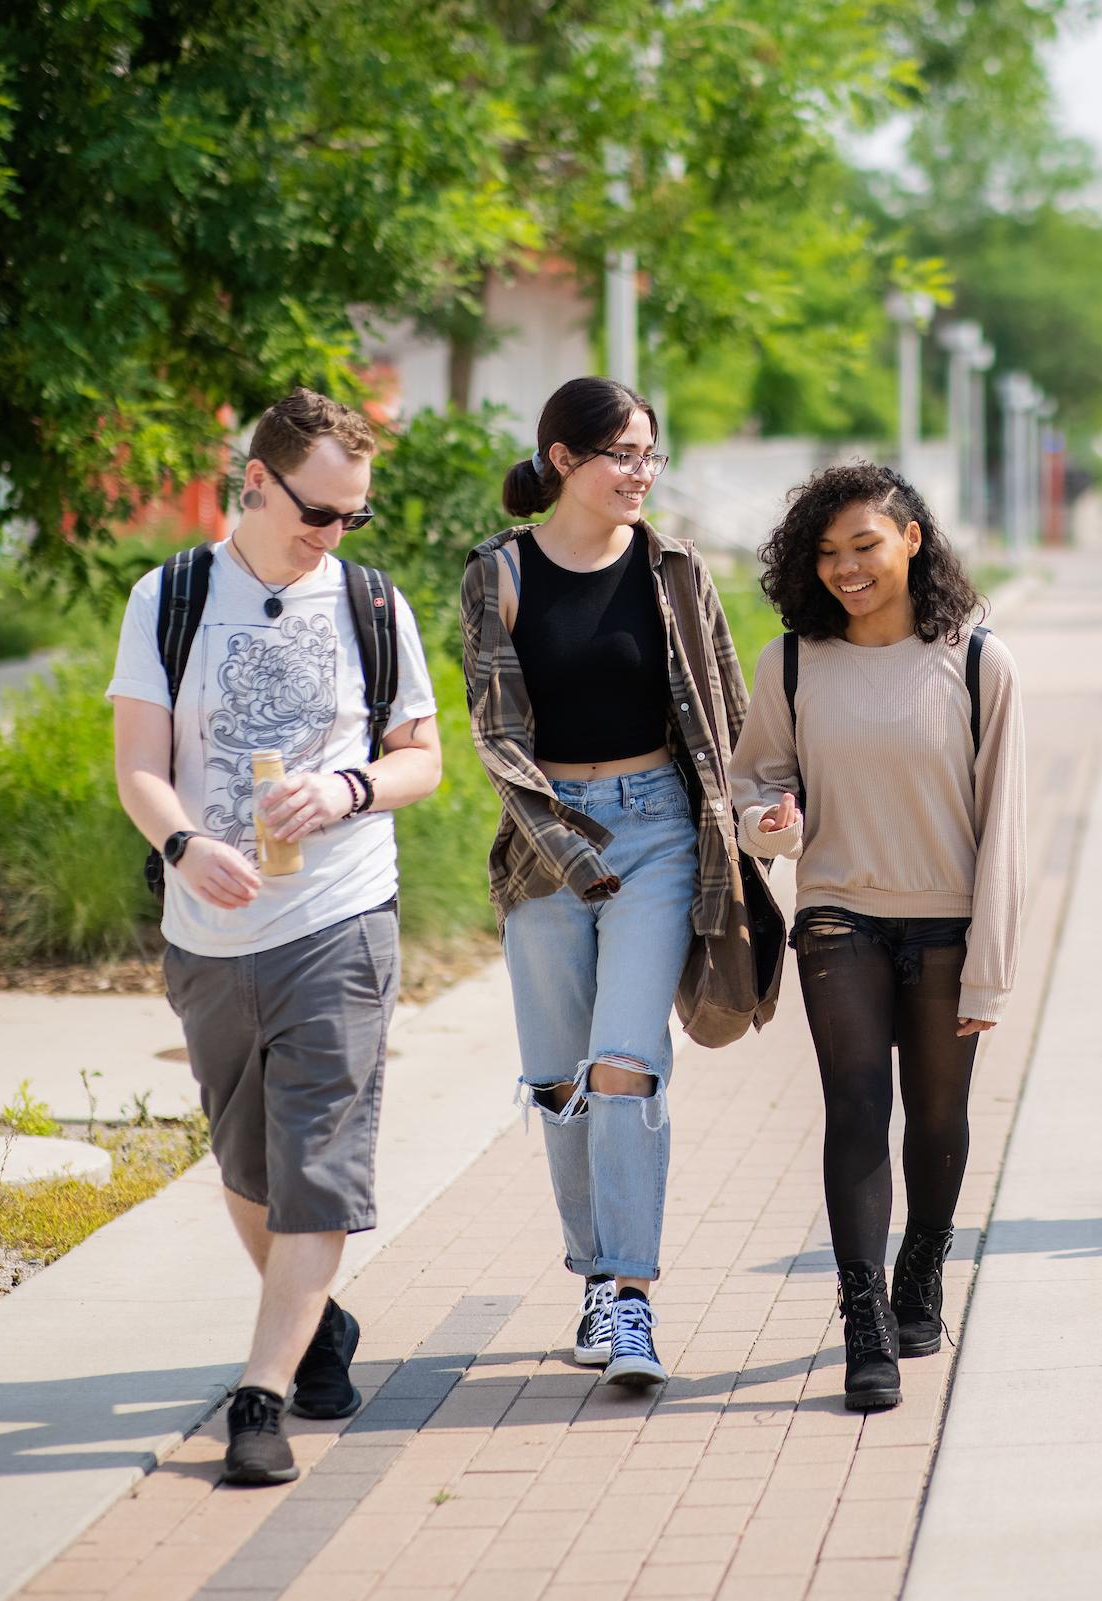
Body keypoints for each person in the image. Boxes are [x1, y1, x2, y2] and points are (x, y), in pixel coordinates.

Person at [110, 388, 443, 1485]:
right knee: (247, 1162)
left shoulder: (371, 603)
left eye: (355, 514)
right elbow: (141, 768)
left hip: (342, 915)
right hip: (210, 927)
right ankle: (320, 1323)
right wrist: (184, 844)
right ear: (252, 482)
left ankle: (260, 1394)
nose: (335, 533)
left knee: (318, 1162)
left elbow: (421, 759)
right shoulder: (170, 598)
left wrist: (350, 787)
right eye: (318, 512)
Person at [459, 376, 751, 1389]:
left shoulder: (675, 571)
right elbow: (497, 737)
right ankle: (588, 1272)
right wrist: (569, 849)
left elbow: (727, 710)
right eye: (620, 453)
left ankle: (630, 1297)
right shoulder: (498, 574)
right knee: (560, 1080)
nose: (639, 472)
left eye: (648, 454)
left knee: (626, 1062)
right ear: (561, 461)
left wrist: (759, 815)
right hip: (545, 843)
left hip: (660, 833)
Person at [729, 462, 1025, 1412]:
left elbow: (1005, 826)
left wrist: (991, 970)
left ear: (913, 539)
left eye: (864, 545)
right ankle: (865, 1325)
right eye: (825, 552)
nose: (845, 568)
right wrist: (764, 824)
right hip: (838, 914)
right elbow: (753, 782)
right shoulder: (792, 661)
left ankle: (923, 1271)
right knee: (856, 1108)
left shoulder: (980, 662)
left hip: (945, 920)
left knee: (937, 1117)